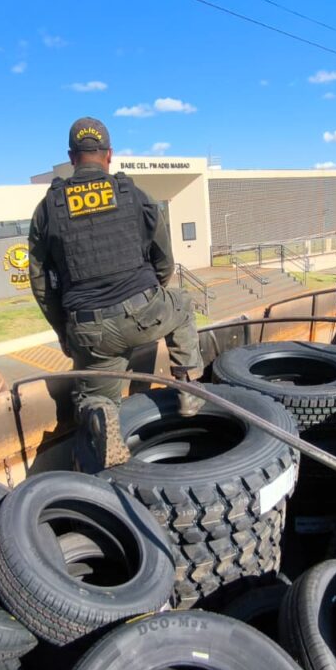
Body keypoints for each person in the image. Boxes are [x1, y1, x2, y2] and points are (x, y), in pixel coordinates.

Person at [28, 117, 205, 468]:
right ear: (109, 155)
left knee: (96, 395)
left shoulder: (48, 208)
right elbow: (163, 257)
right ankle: (187, 391)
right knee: (182, 305)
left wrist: (64, 332)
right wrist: (153, 294)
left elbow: (40, 281)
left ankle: (102, 412)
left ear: (71, 156)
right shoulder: (132, 194)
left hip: (90, 330)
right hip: (144, 310)